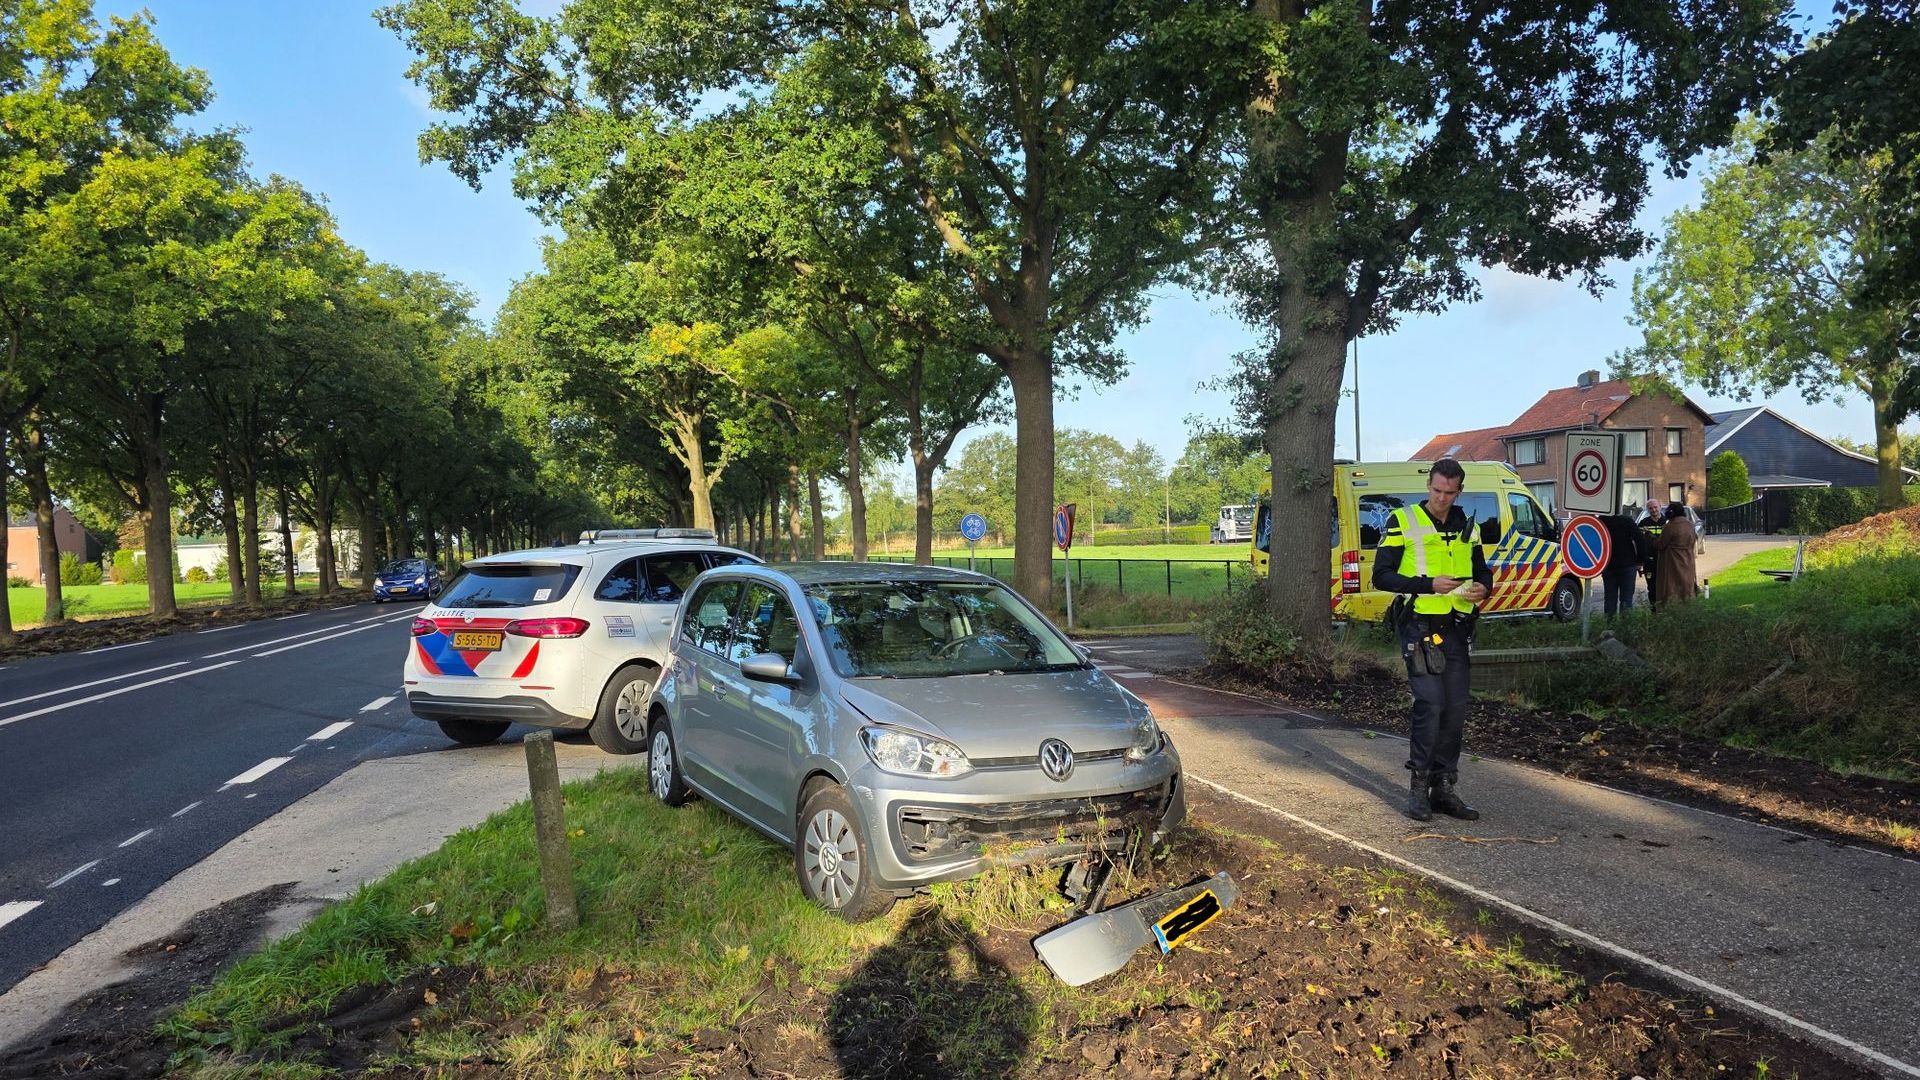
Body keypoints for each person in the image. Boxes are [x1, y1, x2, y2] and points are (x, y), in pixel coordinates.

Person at [1372, 458, 1493, 822]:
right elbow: (1382, 577)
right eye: (1436, 490)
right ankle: (1418, 790)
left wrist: (1484, 588)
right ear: (1429, 485)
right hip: (1419, 626)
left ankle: (1445, 788)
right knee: (1430, 705)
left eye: (1449, 493)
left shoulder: (1466, 526)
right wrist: (1428, 585)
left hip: (1457, 626)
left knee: (1455, 709)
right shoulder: (1403, 521)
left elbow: (1482, 568)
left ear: (1459, 491)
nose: (1441, 498)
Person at [1599, 512, 1647, 617]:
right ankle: (1625, 628)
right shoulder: (1627, 520)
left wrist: (1597, 563)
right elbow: (1640, 541)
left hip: (1608, 564)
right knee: (1626, 599)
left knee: (1610, 599)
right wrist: (1639, 561)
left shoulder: (1602, 521)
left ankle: (1609, 627)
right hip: (1627, 564)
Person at [1651, 501, 1699, 608]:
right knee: (1687, 587)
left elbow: (1661, 544)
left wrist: (1650, 537)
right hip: (1688, 561)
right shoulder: (1690, 525)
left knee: (1671, 589)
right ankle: (1689, 610)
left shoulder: (1670, 526)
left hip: (1672, 563)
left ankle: (1672, 612)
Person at [1636, 499, 1665, 600]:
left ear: (1660, 507)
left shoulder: (1667, 522)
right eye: (1650, 508)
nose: (1654, 510)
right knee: (1652, 587)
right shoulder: (1644, 523)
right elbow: (1638, 542)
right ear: (1648, 510)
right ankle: (1654, 611)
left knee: (1665, 586)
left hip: (1664, 560)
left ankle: (1664, 610)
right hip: (1649, 561)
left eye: (1655, 507)